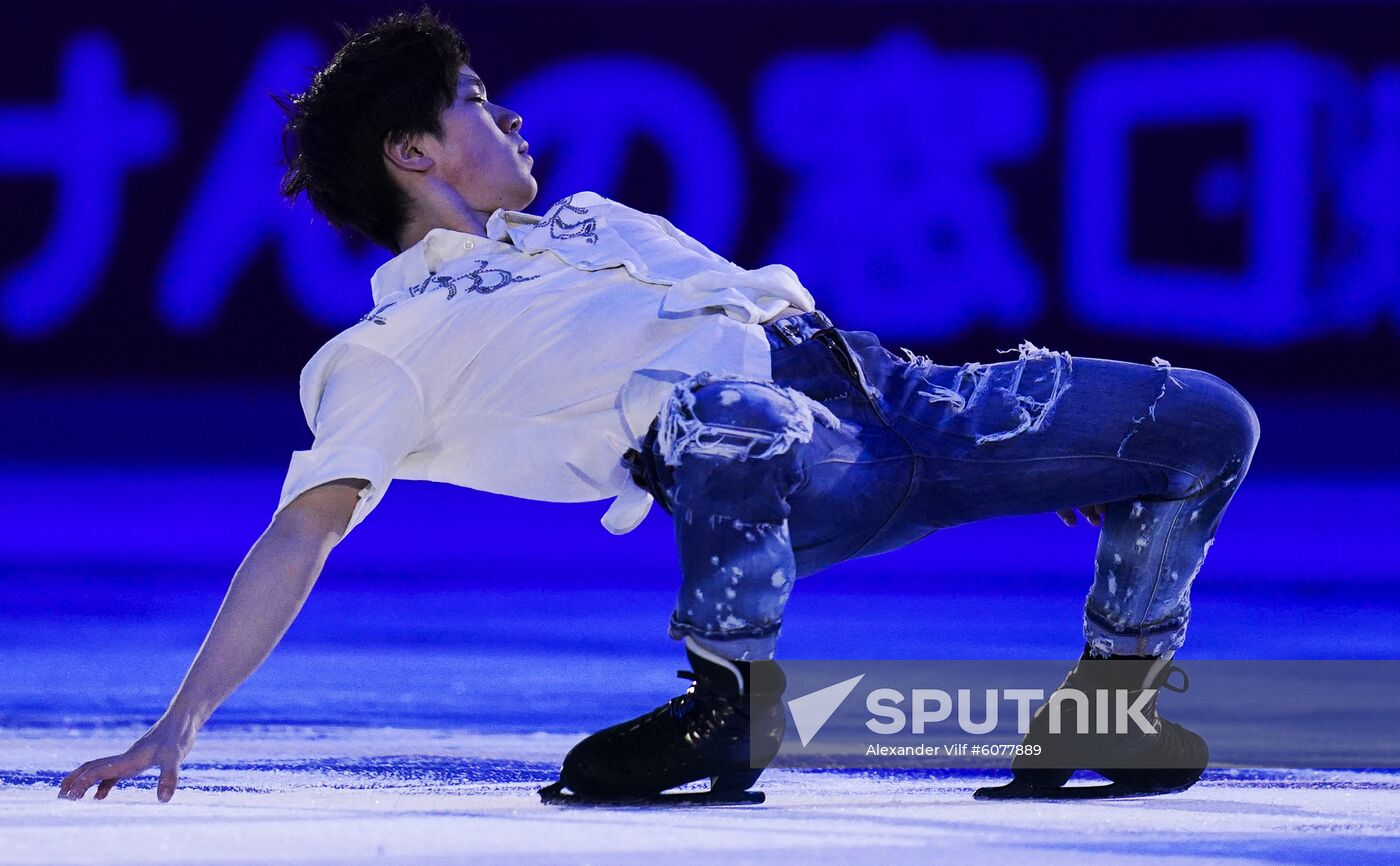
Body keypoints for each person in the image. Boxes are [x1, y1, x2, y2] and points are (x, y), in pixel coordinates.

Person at [57, 8, 1260, 806]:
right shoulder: (389, 347)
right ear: (410, 152)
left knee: (1204, 421)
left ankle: (1111, 700)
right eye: (476, 99)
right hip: (771, 467)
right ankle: (728, 699)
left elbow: (774, 317)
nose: (509, 116)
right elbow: (300, 529)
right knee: (717, 411)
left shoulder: (590, 219)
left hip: (892, 391)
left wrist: (1055, 450)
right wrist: (183, 719)